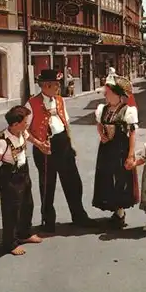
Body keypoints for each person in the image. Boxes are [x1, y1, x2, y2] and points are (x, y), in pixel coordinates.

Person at [25, 69, 94, 233]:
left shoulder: (60, 100)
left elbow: (66, 123)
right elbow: (23, 130)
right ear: (46, 85)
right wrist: (38, 144)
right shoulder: (31, 104)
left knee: (73, 182)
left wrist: (71, 144)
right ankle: (48, 221)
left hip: (63, 144)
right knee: (47, 185)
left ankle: (79, 216)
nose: (58, 87)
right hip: (45, 148)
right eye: (56, 84)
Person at [0, 105, 48, 255]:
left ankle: (25, 234)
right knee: (11, 211)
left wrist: (41, 145)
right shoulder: (3, 141)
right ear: (15, 124)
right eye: (25, 121)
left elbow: (30, 138)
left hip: (23, 171)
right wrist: (2, 183)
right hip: (10, 175)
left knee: (27, 204)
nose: (27, 123)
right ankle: (10, 243)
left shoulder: (22, 132)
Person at [93, 76, 139, 228]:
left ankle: (120, 213)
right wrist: (102, 135)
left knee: (120, 178)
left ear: (116, 94)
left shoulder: (128, 111)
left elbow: (132, 133)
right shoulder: (103, 109)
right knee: (106, 177)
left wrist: (131, 155)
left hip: (120, 148)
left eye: (107, 92)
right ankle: (115, 210)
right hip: (106, 148)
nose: (105, 95)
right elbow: (99, 125)